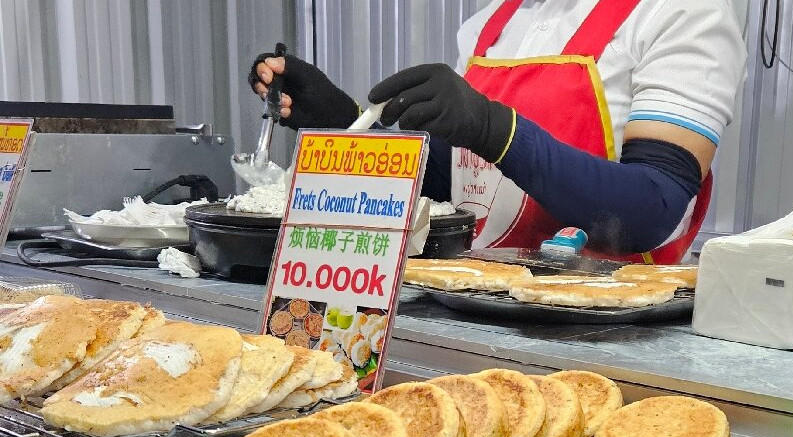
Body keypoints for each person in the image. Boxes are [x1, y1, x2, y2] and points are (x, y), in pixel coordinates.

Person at [250, 0, 746, 263]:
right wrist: (348, 122)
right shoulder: (491, 25)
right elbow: (459, 186)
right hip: (483, 315)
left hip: (609, 336)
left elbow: (652, 206)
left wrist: (495, 129)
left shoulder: (682, 13)